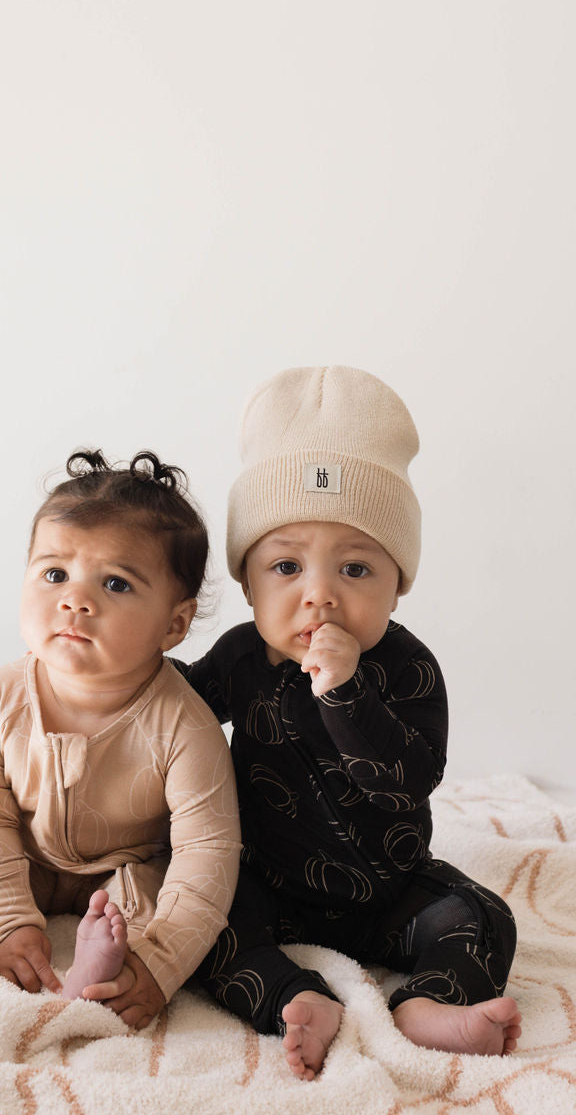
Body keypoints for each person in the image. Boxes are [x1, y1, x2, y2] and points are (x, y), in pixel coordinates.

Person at [178, 367, 521, 1078]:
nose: (320, 596)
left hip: (388, 890)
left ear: (400, 582)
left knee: (482, 915)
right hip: (265, 881)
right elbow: (178, 712)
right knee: (198, 918)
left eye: (357, 568)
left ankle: (430, 1002)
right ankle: (295, 997)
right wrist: (117, 674)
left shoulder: (406, 668)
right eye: (286, 566)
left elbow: (409, 779)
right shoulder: (242, 655)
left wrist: (346, 693)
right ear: (247, 581)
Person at [0, 451, 241, 1030]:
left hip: (127, 867)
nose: (76, 599)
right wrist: (7, 923)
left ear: (174, 625)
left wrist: (162, 964)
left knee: (156, 905)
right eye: (55, 574)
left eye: (116, 583)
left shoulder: (185, 726)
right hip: (19, 855)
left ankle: (107, 972)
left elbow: (208, 856)